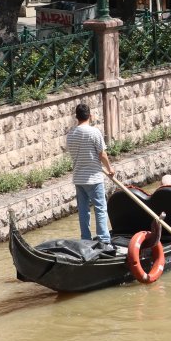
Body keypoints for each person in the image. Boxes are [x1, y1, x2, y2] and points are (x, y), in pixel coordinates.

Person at [65, 102, 115, 242]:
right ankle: (104, 240)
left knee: (83, 211)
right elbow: (102, 155)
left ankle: (85, 240)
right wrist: (110, 169)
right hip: (94, 178)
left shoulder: (70, 135)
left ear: (77, 117)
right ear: (90, 116)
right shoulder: (94, 132)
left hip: (78, 179)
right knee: (100, 208)